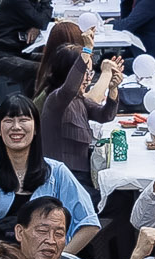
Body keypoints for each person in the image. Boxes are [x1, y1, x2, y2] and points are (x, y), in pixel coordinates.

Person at [0, 92, 100, 258]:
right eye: (8, 120)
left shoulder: (57, 173)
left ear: (36, 128)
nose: (16, 126)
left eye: (23, 120)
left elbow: (89, 224)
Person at [37, 44, 123, 194]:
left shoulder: (79, 100)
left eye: (90, 73)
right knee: (118, 200)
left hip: (81, 177)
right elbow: (69, 88)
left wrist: (113, 89)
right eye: (86, 72)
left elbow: (106, 115)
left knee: (121, 195)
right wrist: (87, 50)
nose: (89, 79)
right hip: (64, 181)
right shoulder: (56, 100)